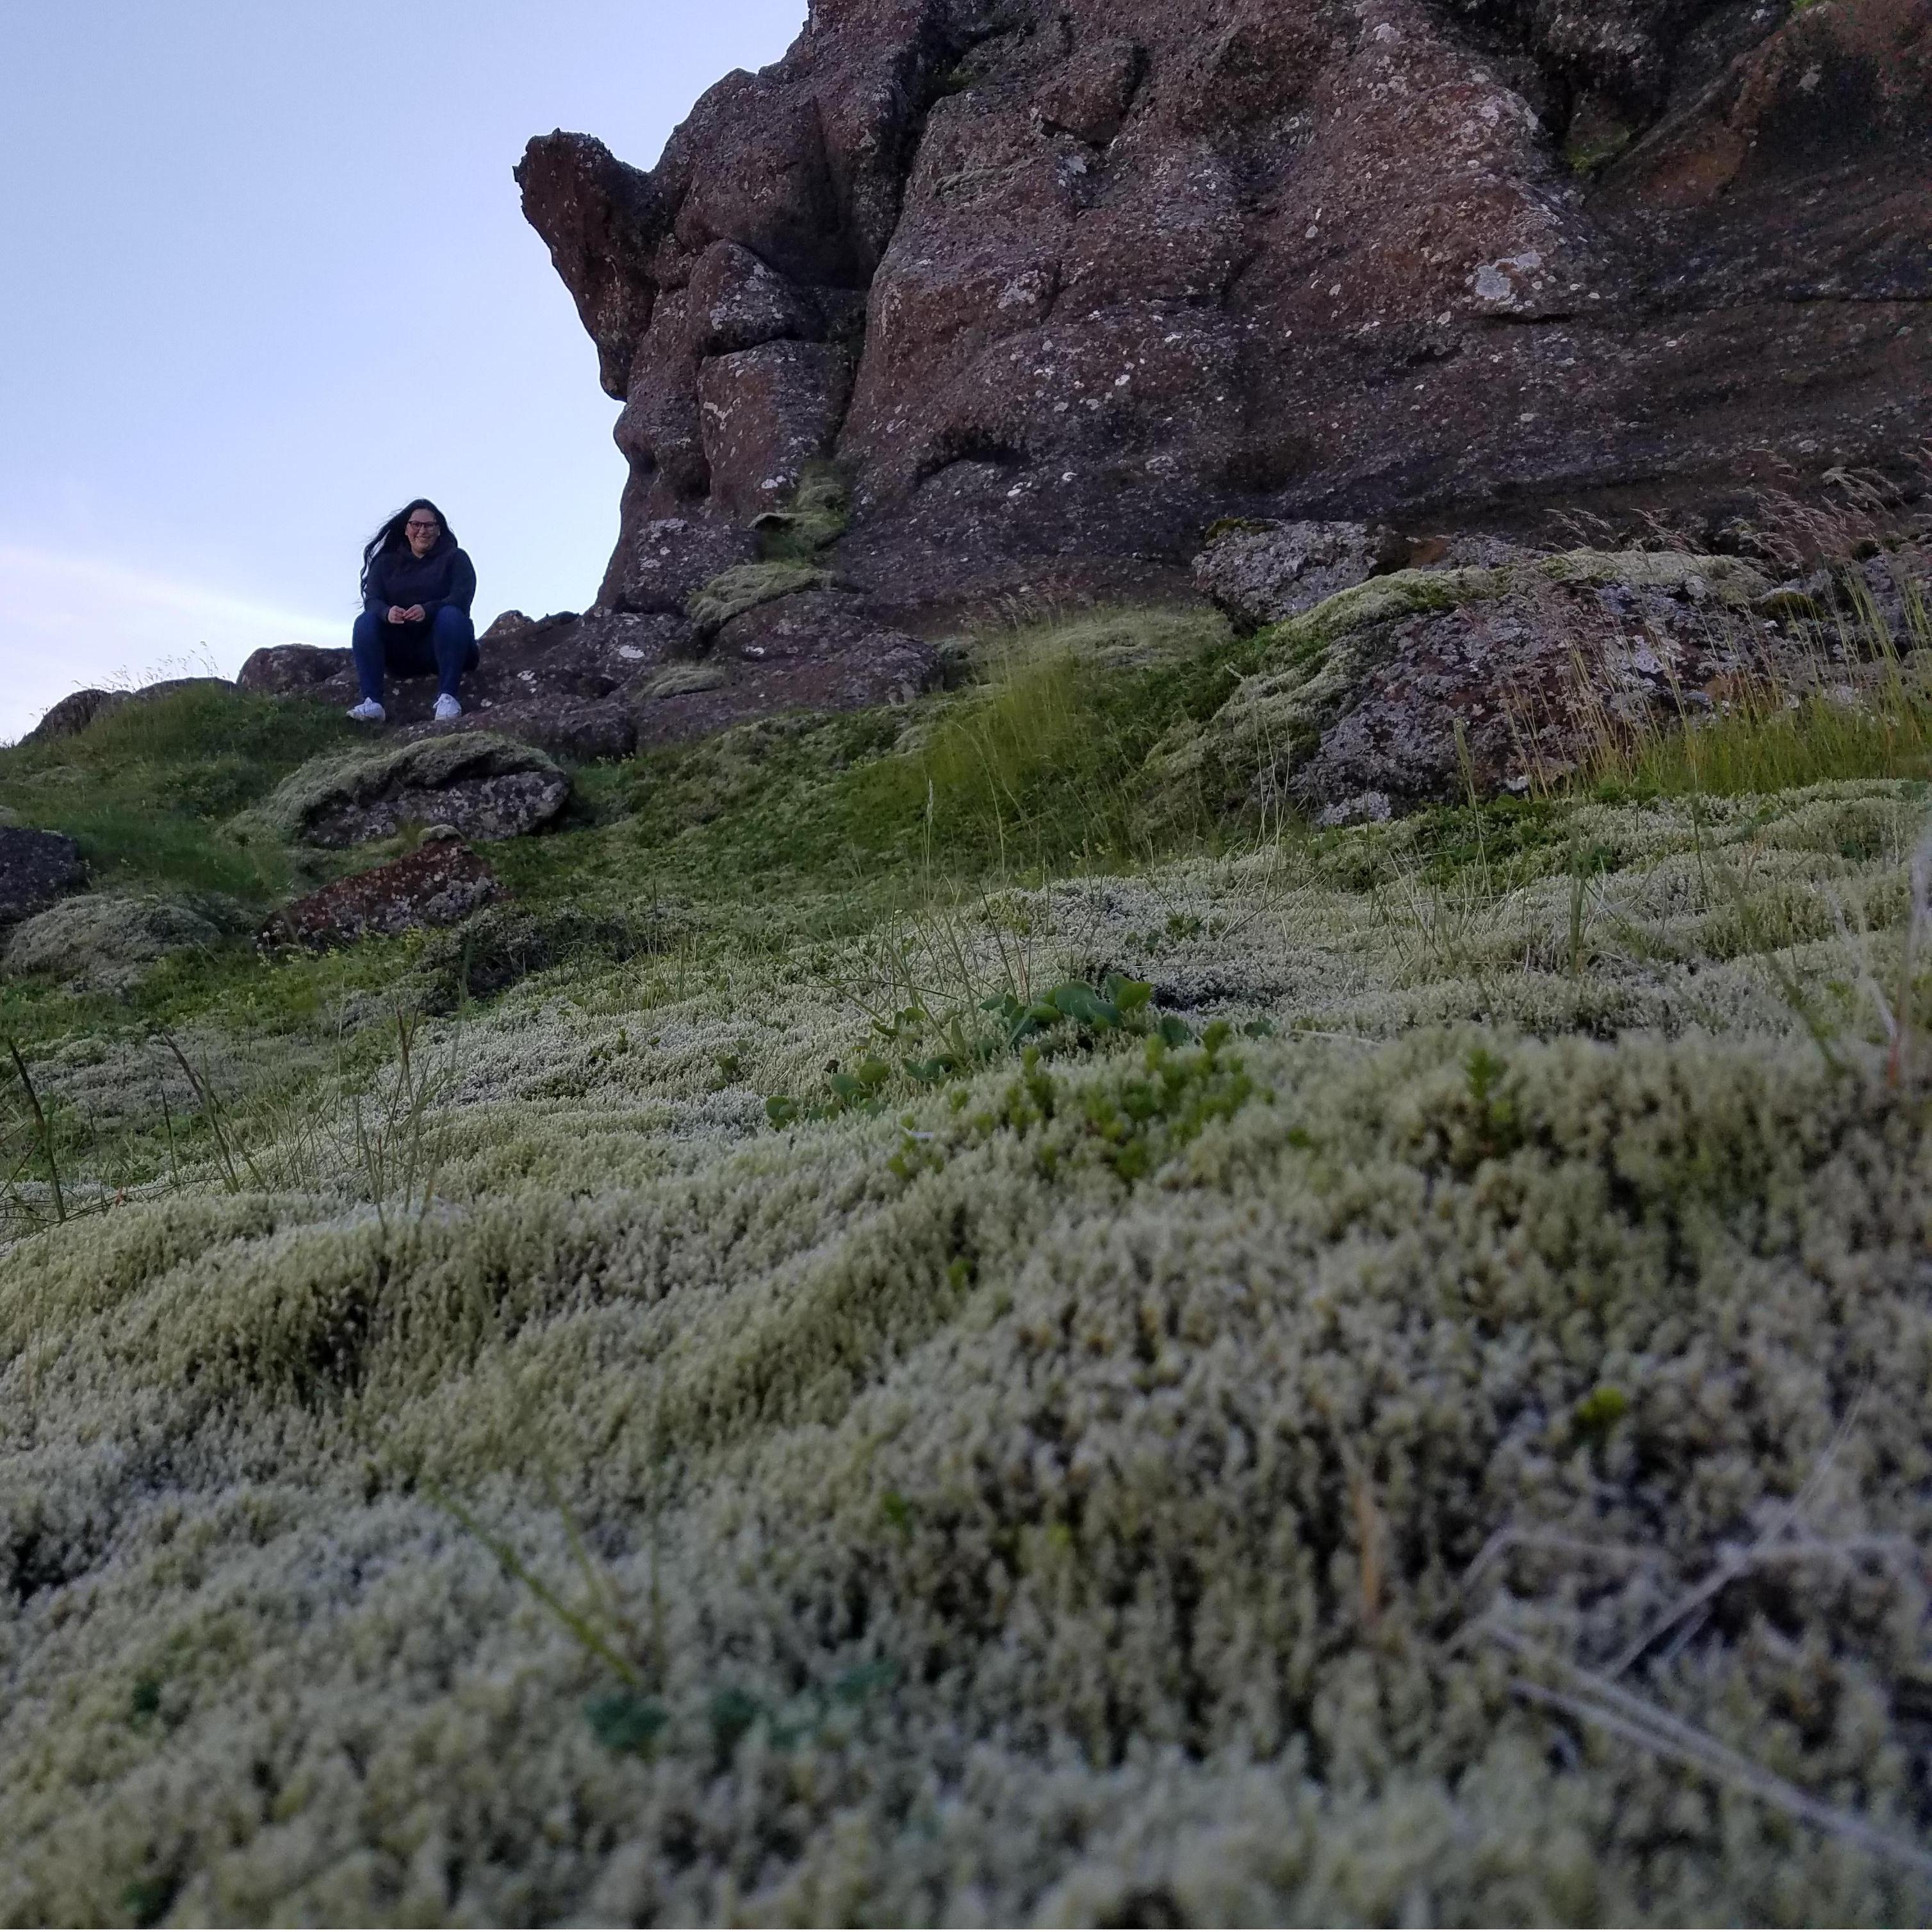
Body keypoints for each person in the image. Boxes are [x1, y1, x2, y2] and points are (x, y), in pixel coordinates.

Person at [347, 498, 479, 723]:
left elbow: (461, 599)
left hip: (443, 646)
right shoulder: (385, 564)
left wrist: (428, 610)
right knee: (365, 621)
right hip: (401, 652)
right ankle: (373, 703)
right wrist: (387, 613)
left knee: (451, 615)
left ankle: (448, 697)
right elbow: (373, 600)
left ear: (439, 530)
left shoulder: (456, 559)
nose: (422, 531)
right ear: (406, 529)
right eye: (416, 524)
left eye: (429, 525)